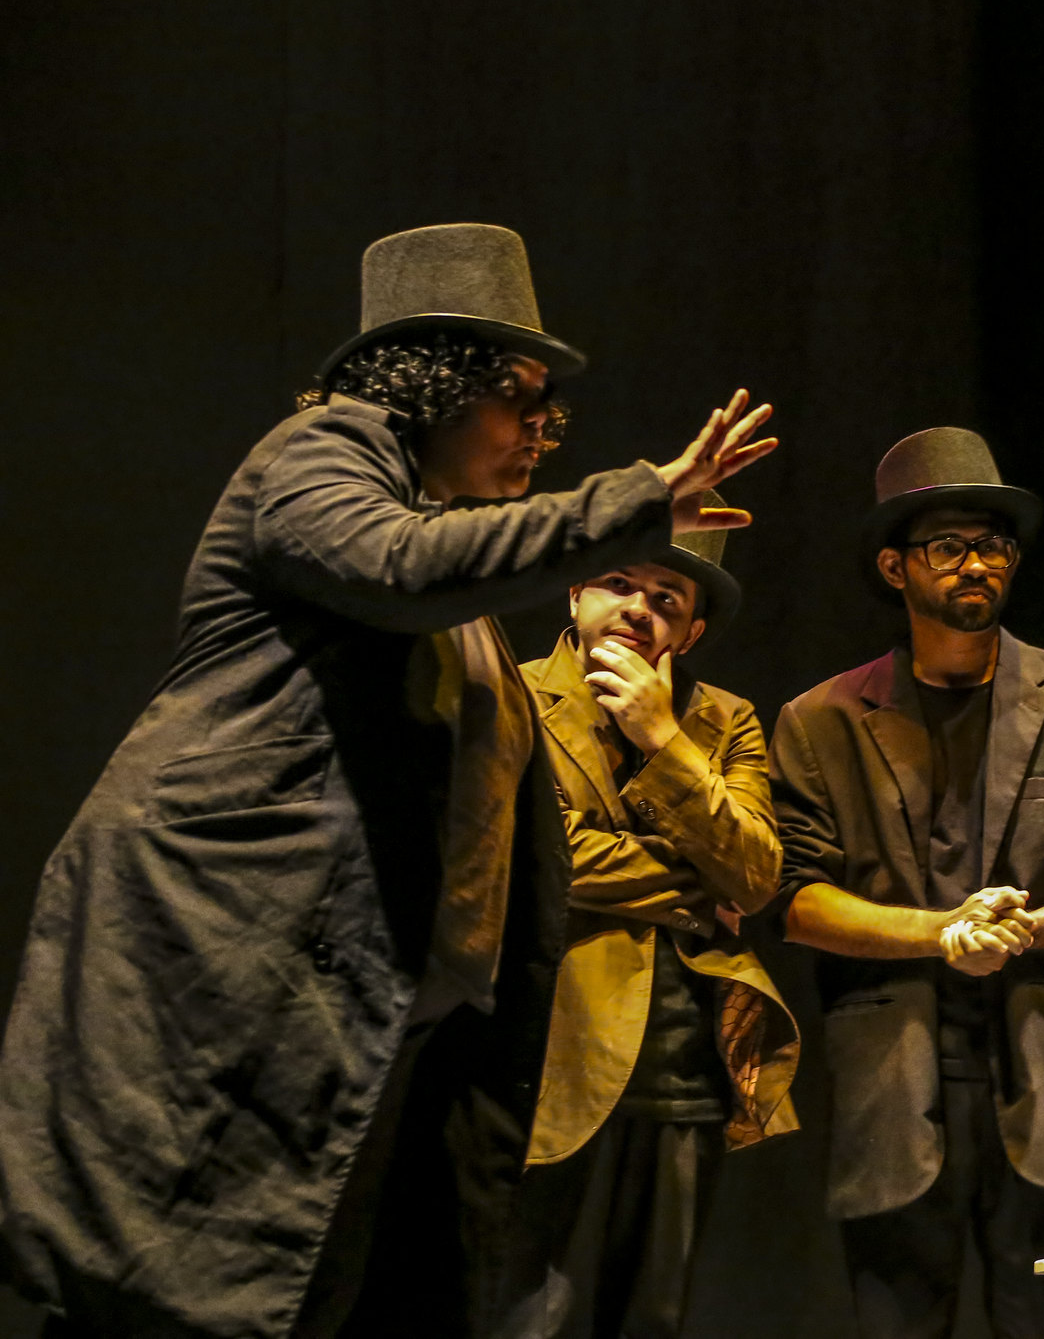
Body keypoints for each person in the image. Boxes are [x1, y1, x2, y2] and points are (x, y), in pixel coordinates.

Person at [0, 223, 775, 1339]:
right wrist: (639, 500)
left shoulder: (448, 564)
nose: (541, 431)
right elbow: (402, 567)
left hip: (381, 1020)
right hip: (234, 972)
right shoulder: (318, 456)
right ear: (433, 383)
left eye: (552, 413)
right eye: (520, 399)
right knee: (186, 1297)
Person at [768, 427, 1044, 1339]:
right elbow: (793, 898)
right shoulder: (820, 720)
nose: (976, 563)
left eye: (993, 544)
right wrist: (942, 931)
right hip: (895, 1082)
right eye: (947, 545)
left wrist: (1025, 928)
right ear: (894, 566)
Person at [497, 502, 800, 1338]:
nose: (639, 608)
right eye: (619, 583)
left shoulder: (723, 718)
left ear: (691, 632)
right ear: (575, 595)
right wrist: (694, 884)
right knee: (529, 1310)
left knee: (653, 1315)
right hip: (546, 1050)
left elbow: (757, 873)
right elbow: (533, 858)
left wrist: (664, 739)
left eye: (667, 599)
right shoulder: (513, 695)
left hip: (684, 1065)